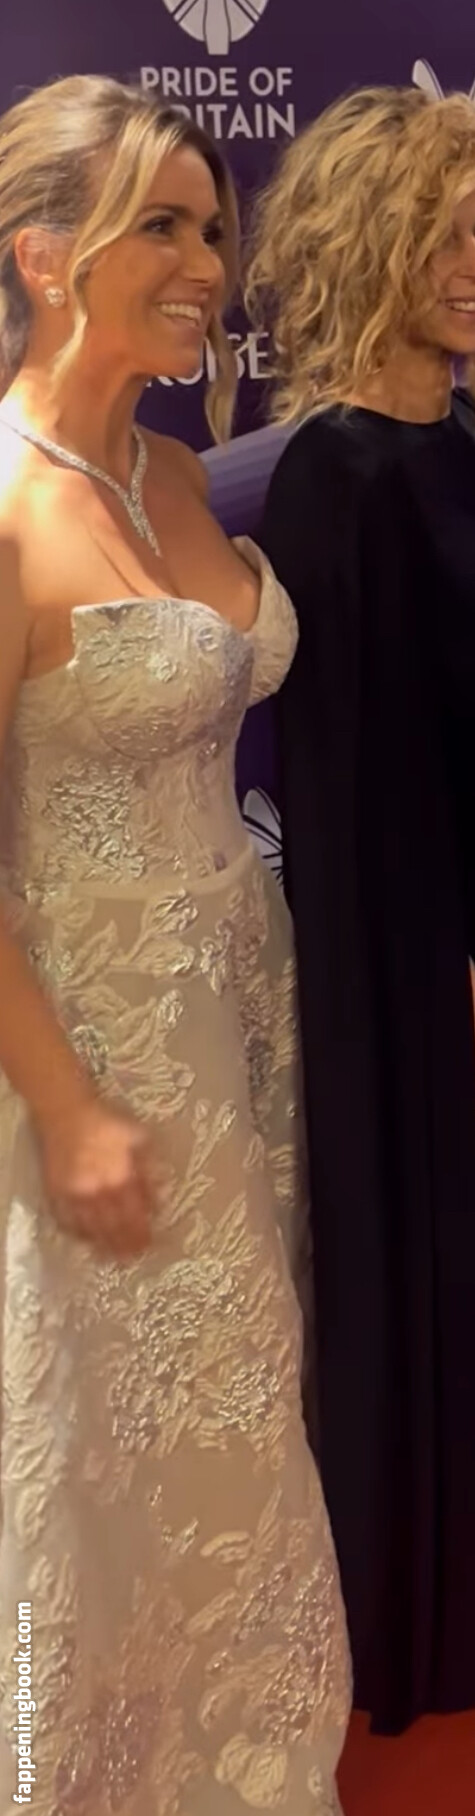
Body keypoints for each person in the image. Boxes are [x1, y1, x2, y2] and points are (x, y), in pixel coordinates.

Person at [0, 73, 351, 1814]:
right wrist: (67, 1108)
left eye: (212, 227)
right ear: (41, 253)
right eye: (161, 224)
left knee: (235, 1422)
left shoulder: (174, 467)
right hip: (87, 1063)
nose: (208, 262)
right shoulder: (4, 505)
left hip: (241, 1044)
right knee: (104, 1457)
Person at [247, 85, 475, 1735]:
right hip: (405, 959)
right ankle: (418, 1632)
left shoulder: (461, 444)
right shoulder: (333, 473)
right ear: (371, 240)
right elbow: (355, 781)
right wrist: (447, 960)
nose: (473, 267)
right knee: (423, 1272)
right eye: (446, 234)